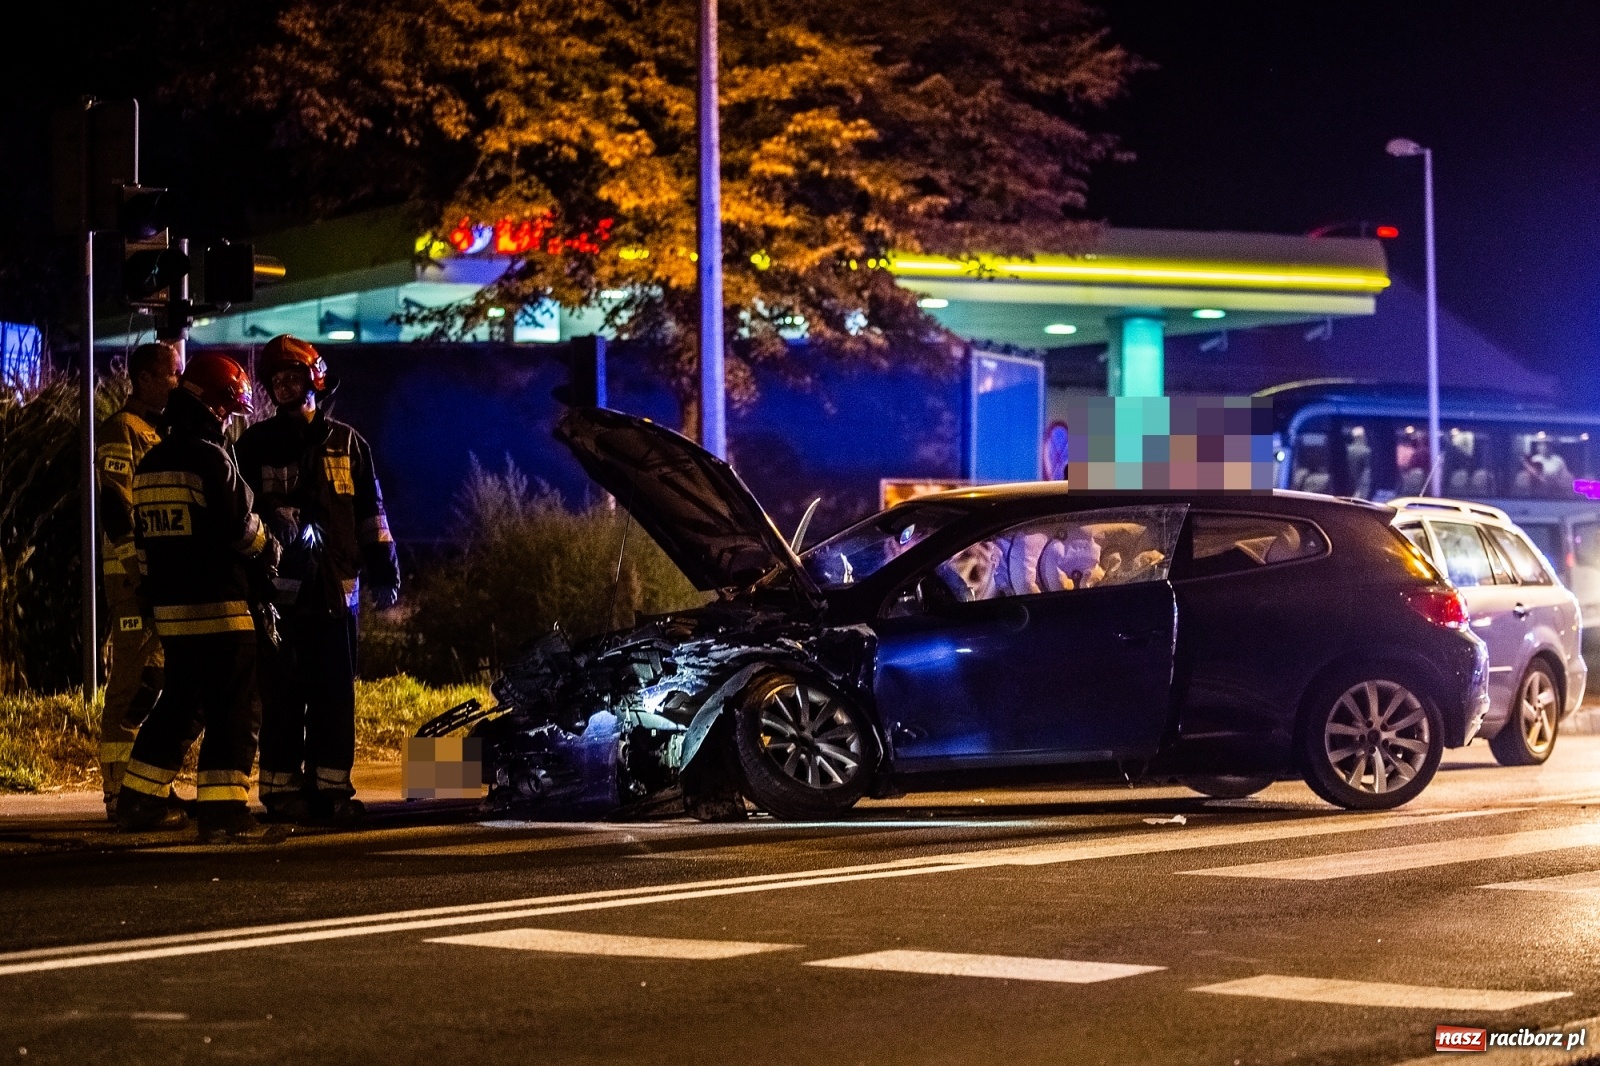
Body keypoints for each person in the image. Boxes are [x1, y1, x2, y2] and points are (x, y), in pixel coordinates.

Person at [116, 353, 283, 844]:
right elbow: (241, 530)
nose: (229, 421)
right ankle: (225, 811)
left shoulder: (151, 463)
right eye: (228, 411)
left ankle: (139, 800)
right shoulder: (211, 458)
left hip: (172, 613)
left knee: (181, 704)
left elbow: (144, 544)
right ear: (213, 406)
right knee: (235, 709)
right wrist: (274, 548)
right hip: (224, 609)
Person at [238, 335, 399, 823]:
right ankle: (281, 792)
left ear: (315, 378)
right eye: (277, 381)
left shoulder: (349, 443)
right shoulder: (254, 444)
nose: (285, 387)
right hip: (280, 595)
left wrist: (384, 569)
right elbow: (236, 510)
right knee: (283, 695)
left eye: (293, 377)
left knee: (335, 694)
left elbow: (371, 513)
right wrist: (272, 514)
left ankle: (332, 790)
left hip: (338, 591)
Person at [95, 342, 180, 819]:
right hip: (132, 579)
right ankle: (117, 793)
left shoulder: (156, 431)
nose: (177, 381)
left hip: (156, 575)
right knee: (133, 685)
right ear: (146, 377)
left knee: (158, 681)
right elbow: (115, 505)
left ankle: (146, 784)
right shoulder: (122, 430)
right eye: (172, 373)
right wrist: (136, 569)